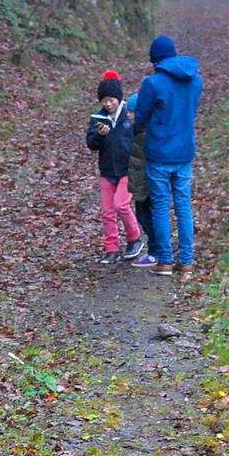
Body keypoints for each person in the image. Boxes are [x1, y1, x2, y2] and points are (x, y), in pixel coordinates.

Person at [134, 35, 204, 278]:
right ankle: (187, 261)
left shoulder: (152, 83)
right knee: (183, 206)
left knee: (161, 207)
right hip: (184, 152)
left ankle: (164, 260)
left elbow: (140, 116)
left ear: (155, 60)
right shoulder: (196, 81)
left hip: (159, 153)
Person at [86, 69, 144, 264]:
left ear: (118, 98)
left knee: (121, 205)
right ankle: (111, 248)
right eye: (104, 100)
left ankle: (134, 238)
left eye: (111, 100)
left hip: (128, 169)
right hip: (107, 170)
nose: (108, 104)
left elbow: (141, 138)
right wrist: (99, 135)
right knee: (107, 212)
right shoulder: (98, 118)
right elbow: (91, 144)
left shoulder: (129, 115)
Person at [125, 92, 158, 268]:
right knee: (143, 216)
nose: (129, 115)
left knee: (149, 217)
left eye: (132, 112)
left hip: (147, 185)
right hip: (140, 184)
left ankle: (155, 252)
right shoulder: (135, 130)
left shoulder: (146, 134)